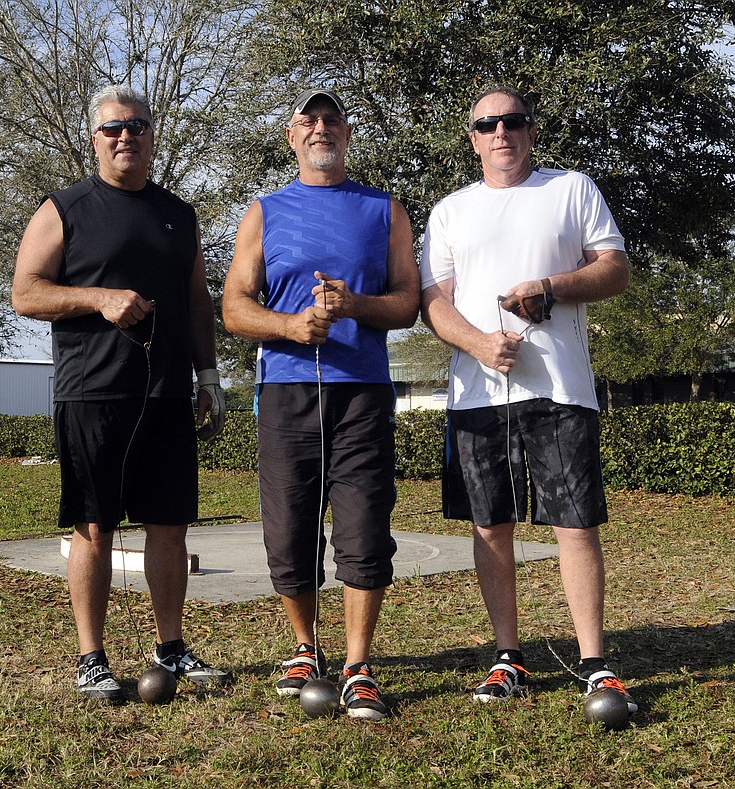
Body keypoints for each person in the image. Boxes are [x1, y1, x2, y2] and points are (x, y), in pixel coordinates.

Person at [419, 86, 637, 714]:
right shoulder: (451, 210)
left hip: (561, 389)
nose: (500, 133)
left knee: (575, 524)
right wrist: (480, 345)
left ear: (530, 131)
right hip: (476, 394)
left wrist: (551, 285)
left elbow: (615, 270)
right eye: (486, 124)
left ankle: (594, 663)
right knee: (491, 526)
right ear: (472, 138)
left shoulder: (572, 189)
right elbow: (434, 301)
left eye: (511, 121)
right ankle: (507, 657)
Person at [12, 85, 231, 703]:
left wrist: (208, 376)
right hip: (93, 391)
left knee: (169, 524)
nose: (125, 137)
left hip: (165, 392)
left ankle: (170, 647)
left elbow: (195, 302)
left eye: (136, 127)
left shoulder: (178, 215)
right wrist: (99, 299)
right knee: (94, 524)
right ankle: (92, 658)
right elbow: (26, 292)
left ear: (151, 135)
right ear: (95, 138)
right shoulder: (65, 208)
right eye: (113, 129)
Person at [222, 87, 419, 720]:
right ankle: (305, 648)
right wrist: (290, 326)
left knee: (363, 525)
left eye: (332, 118)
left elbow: (408, 302)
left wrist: (355, 306)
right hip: (285, 390)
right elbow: (234, 307)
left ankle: (359, 664)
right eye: (309, 119)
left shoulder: (384, 210)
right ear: (291, 136)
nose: (321, 128)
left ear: (348, 132)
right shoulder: (264, 212)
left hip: (361, 391)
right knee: (288, 527)